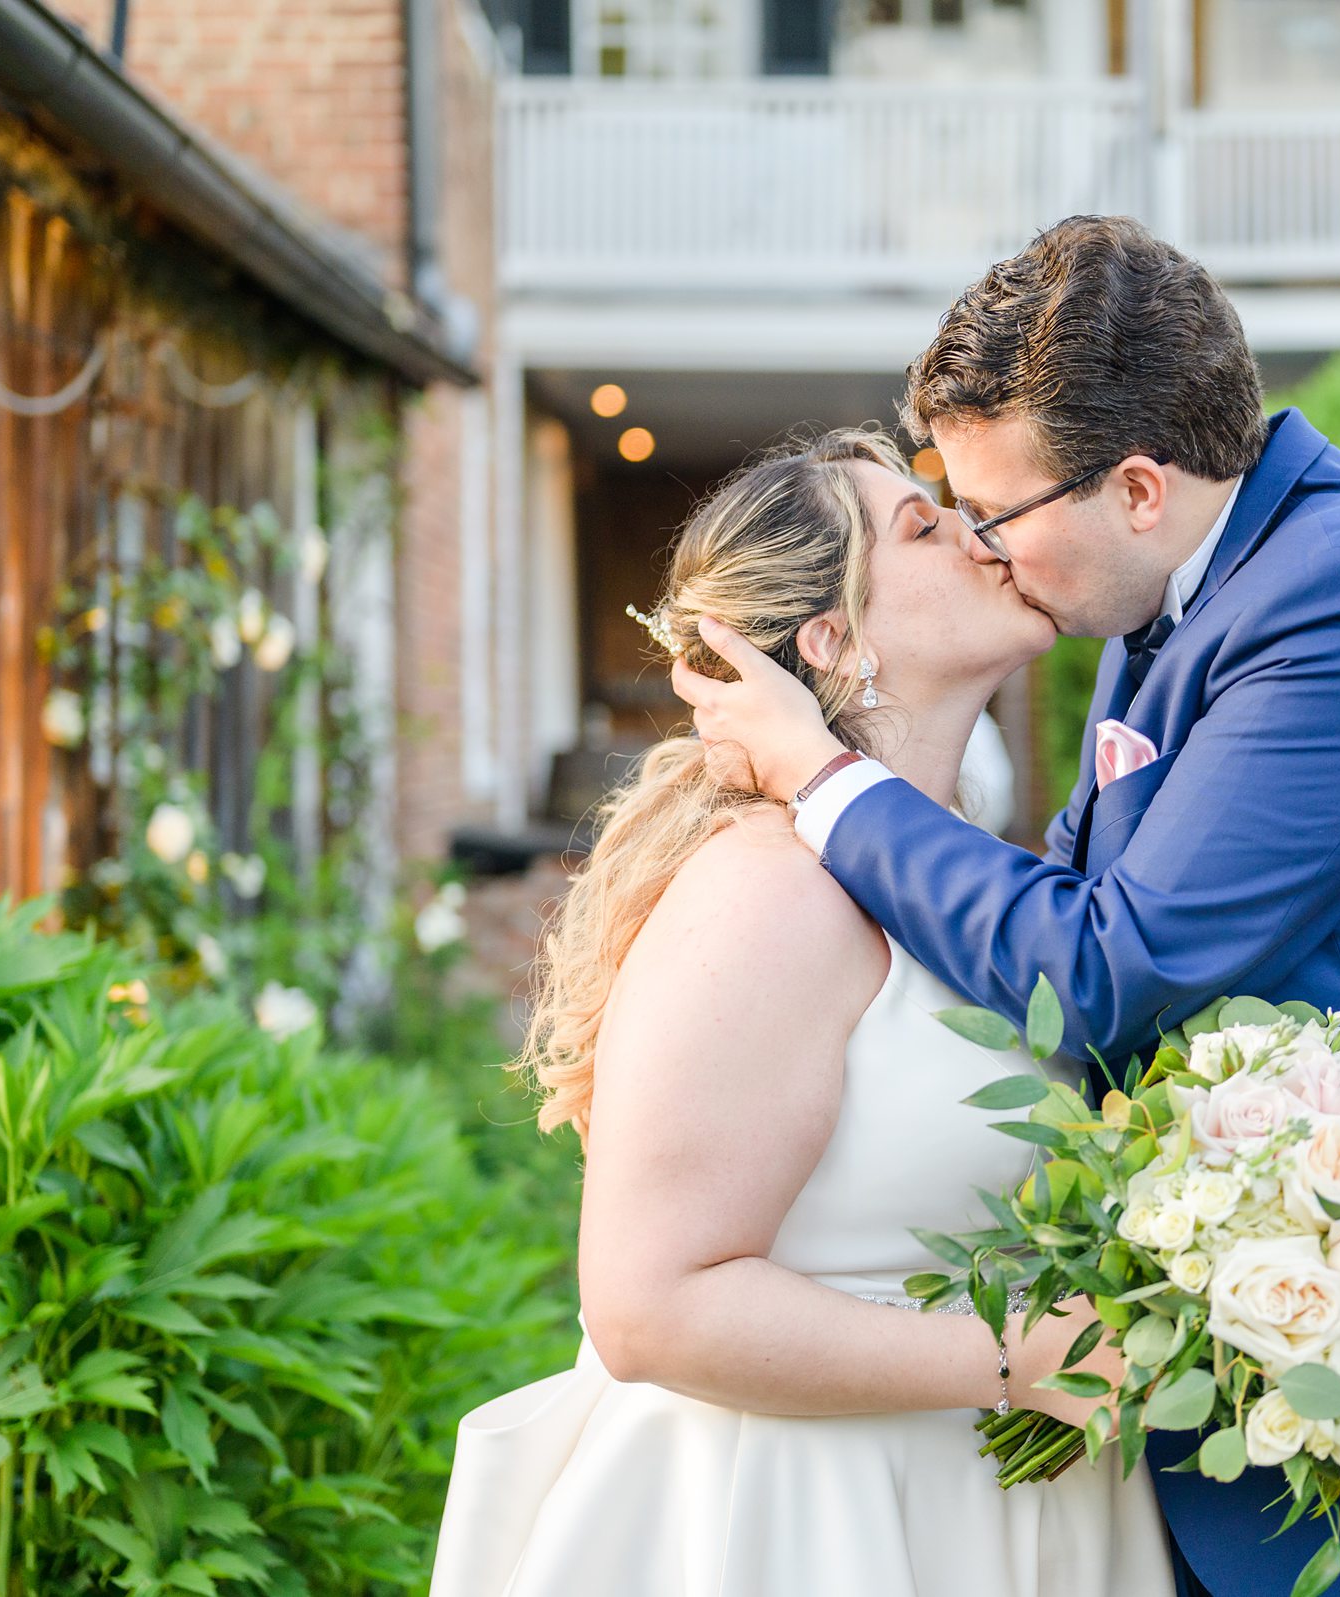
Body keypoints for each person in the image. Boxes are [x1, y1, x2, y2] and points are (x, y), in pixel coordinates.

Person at [672, 216, 1340, 1597]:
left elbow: (1113, 963)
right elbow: (1067, 904)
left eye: (993, 513)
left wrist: (822, 778)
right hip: (1302, 1358)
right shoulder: (1171, 599)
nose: (986, 550)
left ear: (1140, 488)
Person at [426, 430, 1175, 1597]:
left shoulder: (974, 882)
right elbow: (648, 1303)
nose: (979, 533)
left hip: (989, 1509)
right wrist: (1017, 1357)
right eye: (924, 527)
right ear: (833, 638)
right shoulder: (769, 890)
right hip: (809, 1525)